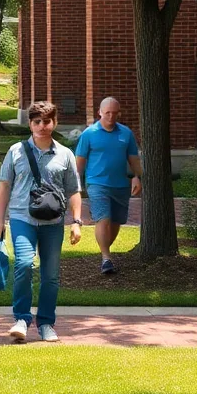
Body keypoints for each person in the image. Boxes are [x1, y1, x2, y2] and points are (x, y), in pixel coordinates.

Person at [0, 100, 83, 344]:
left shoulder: (65, 154)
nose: (42, 126)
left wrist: (76, 221)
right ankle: (22, 319)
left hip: (53, 222)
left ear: (55, 123)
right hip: (22, 218)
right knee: (24, 264)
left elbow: (74, 190)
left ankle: (46, 322)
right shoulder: (16, 151)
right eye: (37, 122)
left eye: (47, 121)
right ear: (30, 124)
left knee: (51, 275)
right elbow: (4, 186)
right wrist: (0, 221)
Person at [75, 97, 143, 275]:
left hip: (120, 185)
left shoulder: (126, 133)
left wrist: (137, 177)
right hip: (97, 184)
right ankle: (106, 258)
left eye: (115, 113)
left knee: (115, 222)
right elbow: (79, 162)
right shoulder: (89, 134)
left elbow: (133, 159)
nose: (111, 116)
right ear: (100, 112)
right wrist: (76, 185)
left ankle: (105, 251)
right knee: (103, 219)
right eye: (107, 113)